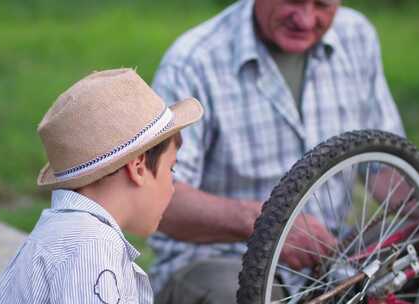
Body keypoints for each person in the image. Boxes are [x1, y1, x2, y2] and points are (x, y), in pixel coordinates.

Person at [149, 0, 405, 302]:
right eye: (293, 1)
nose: (306, 20)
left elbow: (382, 167)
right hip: (221, 260)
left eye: (322, 5)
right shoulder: (194, 60)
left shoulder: (357, 37)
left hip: (333, 257)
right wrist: (265, 224)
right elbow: (159, 198)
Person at [0, 68, 203, 303]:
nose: (172, 186)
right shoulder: (90, 246)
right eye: (170, 168)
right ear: (139, 167)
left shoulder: (74, 233)